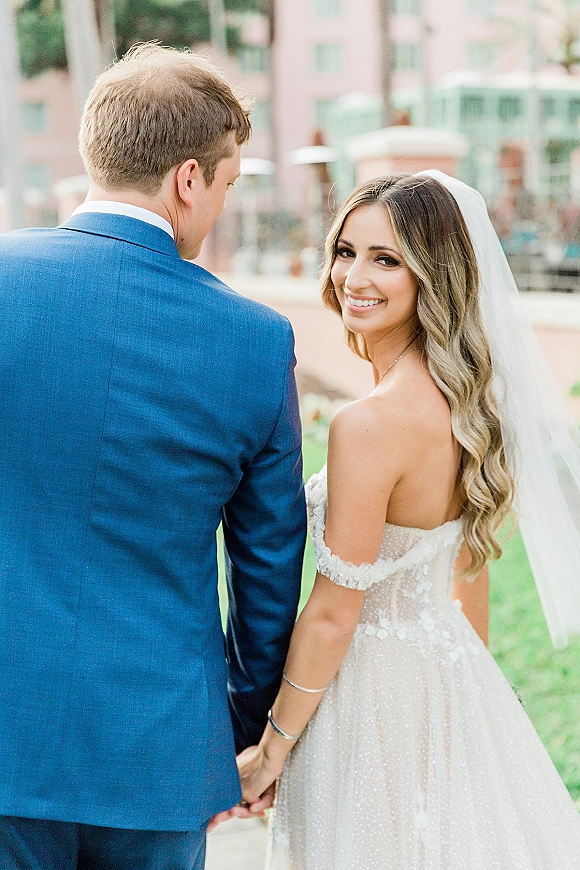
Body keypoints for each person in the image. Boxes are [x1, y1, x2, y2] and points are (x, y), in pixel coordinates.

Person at [0, 44, 306, 870]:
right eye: (230, 184)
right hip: (158, 747)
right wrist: (230, 731)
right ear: (187, 180)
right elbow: (270, 565)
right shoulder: (256, 339)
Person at [229, 172, 580, 868]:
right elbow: (466, 571)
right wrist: (464, 701)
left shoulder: (372, 424)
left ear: (433, 274)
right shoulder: (470, 403)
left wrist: (271, 751)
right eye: (347, 251)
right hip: (451, 681)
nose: (355, 275)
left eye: (386, 259)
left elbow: (333, 614)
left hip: (371, 697)